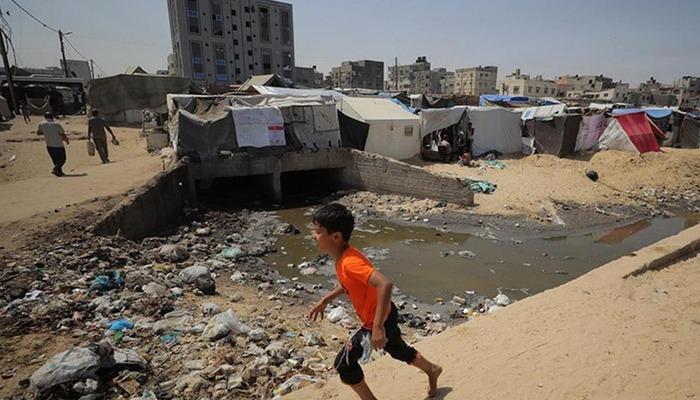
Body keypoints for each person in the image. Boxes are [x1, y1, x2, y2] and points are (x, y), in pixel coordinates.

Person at [308, 203, 442, 399]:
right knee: (398, 350)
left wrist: (377, 327)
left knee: (343, 364)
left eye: (318, 232)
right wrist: (325, 300)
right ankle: (431, 369)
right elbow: (349, 284)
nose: (314, 235)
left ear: (336, 237)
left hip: (376, 321)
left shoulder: (349, 262)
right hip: (387, 313)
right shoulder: (344, 257)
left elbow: (385, 284)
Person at [37, 112, 69, 176]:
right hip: (58, 144)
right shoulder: (56, 124)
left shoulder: (41, 124)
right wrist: (66, 140)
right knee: (62, 159)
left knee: (55, 159)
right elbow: (62, 134)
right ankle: (56, 169)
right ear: (52, 117)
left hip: (49, 144)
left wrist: (46, 133)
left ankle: (59, 172)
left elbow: (38, 133)